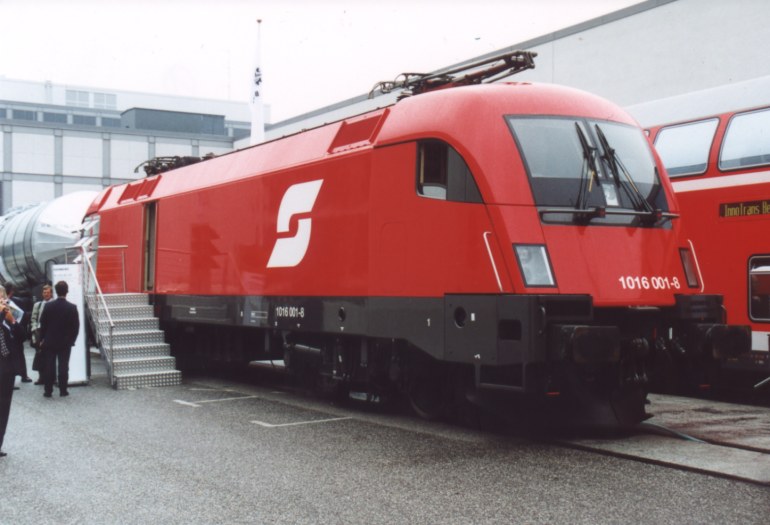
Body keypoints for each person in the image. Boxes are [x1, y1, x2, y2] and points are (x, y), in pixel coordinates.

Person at [39, 281, 79, 398]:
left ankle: (48, 391)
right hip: (65, 342)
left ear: (55, 291)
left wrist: (42, 339)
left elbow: (43, 324)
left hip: (49, 341)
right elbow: (75, 327)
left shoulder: (48, 306)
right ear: (67, 291)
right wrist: (71, 340)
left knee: (49, 366)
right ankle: (63, 390)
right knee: (63, 366)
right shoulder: (72, 308)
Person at [0, 287, 25, 457]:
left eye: (2, 297)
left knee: (4, 408)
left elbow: (22, 336)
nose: (2, 301)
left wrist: (12, 321)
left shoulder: (9, 315)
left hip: (7, 368)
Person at [4, 282, 32, 384]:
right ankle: (18, 375)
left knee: (16, 354)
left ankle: (21, 375)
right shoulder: (16, 301)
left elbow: (24, 316)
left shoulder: (16, 301)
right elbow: (25, 316)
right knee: (15, 354)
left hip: (13, 332)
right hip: (10, 331)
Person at [30, 284, 54, 385]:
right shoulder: (38, 305)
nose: (46, 294)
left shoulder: (53, 304)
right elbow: (33, 318)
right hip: (39, 333)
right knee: (39, 356)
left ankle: (51, 378)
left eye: (48, 293)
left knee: (50, 357)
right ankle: (41, 377)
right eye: (44, 293)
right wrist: (35, 329)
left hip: (50, 333)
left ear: (51, 293)